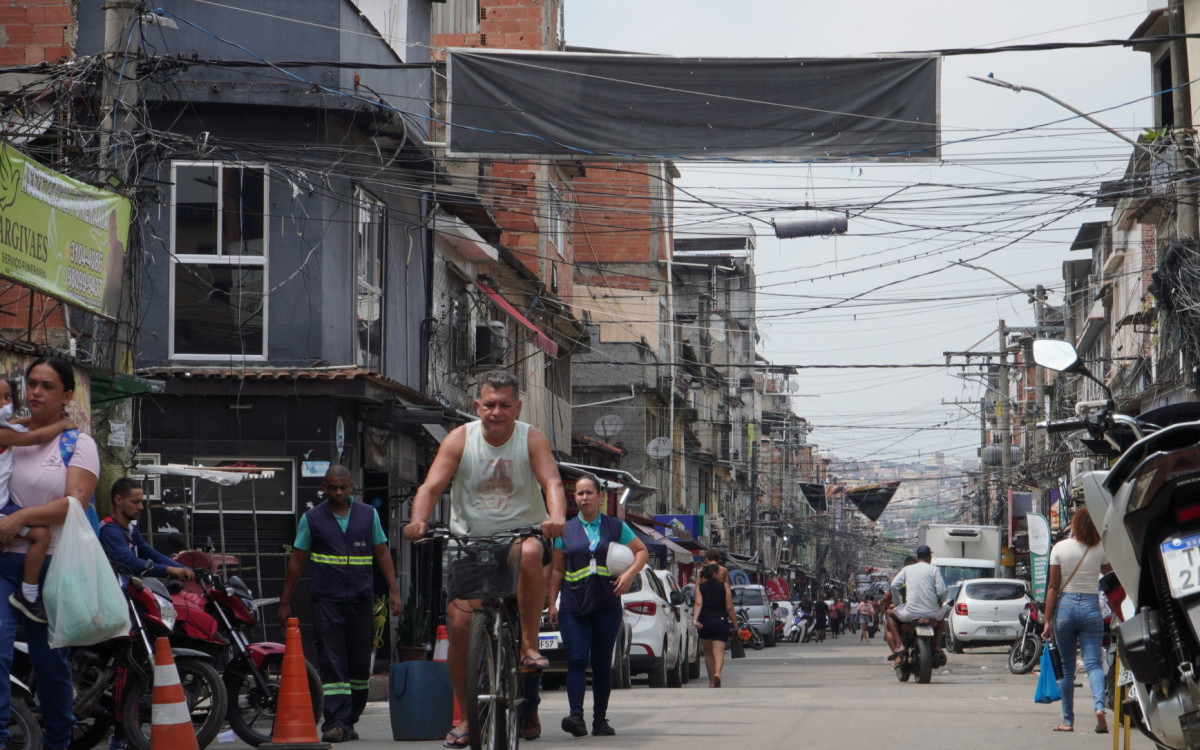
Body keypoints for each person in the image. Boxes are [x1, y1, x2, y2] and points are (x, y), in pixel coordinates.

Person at [405, 370, 566, 749]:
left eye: (504, 405)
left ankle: (528, 645)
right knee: (459, 624)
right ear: (477, 406)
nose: (496, 412)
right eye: (489, 404)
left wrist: (556, 516)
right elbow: (431, 486)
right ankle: (463, 716)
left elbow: (552, 483)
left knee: (529, 551)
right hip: (470, 542)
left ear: (518, 407)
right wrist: (418, 520)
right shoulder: (461, 439)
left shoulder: (531, 438)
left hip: (519, 535)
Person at [0, 357, 100, 750]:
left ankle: (59, 741)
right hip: (4, 563)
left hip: (51, 570)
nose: (36, 392)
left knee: (50, 664)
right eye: (31, 384)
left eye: (47, 386)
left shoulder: (78, 443)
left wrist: (18, 518)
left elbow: (75, 503)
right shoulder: (12, 434)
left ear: (67, 396)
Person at [279, 465, 402, 743]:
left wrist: (394, 591)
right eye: (332, 487)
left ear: (351, 487)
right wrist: (285, 602)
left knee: (359, 666)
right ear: (324, 487)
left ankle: (349, 719)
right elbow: (297, 560)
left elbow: (381, 552)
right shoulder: (312, 519)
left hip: (361, 601)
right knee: (332, 663)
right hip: (327, 602)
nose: (337, 492)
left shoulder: (368, 515)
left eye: (343, 487)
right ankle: (334, 722)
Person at [547, 474, 647, 736]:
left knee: (602, 664)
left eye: (589, 493)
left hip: (606, 604)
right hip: (573, 605)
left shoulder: (616, 526)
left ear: (600, 497)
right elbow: (557, 570)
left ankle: (600, 720)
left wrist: (628, 575)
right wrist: (551, 603)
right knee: (577, 660)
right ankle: (576, 717)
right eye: (579, 494)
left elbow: (642, 552)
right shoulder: (565, 530)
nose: (584, 498)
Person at [0, 376, 75, 623]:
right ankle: (28, 594)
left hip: (5, 504)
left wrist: (31, 420)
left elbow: (19, 425)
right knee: (41, 535)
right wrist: (63, 425)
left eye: (7, 397)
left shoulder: (6, 429)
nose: (4, 404)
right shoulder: (4, 434)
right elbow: (34, 438)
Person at [1042, 506, 1112, 734]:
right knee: (1093, 663)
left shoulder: (1059, 548)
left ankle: (1068, 721)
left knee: (1067, 667)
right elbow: (1110, 574)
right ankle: (1099, 708)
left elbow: (1053, 587)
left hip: (1066, 608)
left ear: (1074, 524)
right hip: (1091, 608)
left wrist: (1047, 621)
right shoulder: (1099, 548)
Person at [98, 477, 195, 582]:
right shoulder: (110, 530)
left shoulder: (130, 529)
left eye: (141, 502)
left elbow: (152, 554)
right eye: (135, 502)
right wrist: (168, 570)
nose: (141, 507)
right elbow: (129, 562)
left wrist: (185, 569)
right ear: (118, 500)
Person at [885, 546, 948, 666]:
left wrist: (898, 604)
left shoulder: (907, 569)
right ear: (930, 557)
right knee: (943, 613)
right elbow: (941, 592)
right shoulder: (934, 570)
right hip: (932, 613)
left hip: (910, 613)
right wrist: (939, 602)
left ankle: (899, 644)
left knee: (889, 614)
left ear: (918, 557)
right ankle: (937, 645)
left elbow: (894, 586)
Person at [692, 562, 735, 687]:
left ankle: (711, 681)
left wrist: (695, 619)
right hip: (720, 621)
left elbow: (698, 604)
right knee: (719, 652)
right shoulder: (724, 586)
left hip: (704, 622)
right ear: (715, 573)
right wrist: (735, 625)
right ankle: (717, 674)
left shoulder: (700, 588)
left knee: (708, 652)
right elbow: (729, 607)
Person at [880, 556, 916, 655]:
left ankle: (898, 650)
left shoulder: (902, 576)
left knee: (888, 626)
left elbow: (891, 590)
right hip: (924, 612)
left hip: (906, 612)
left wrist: (896, 605)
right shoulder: (923, 577)